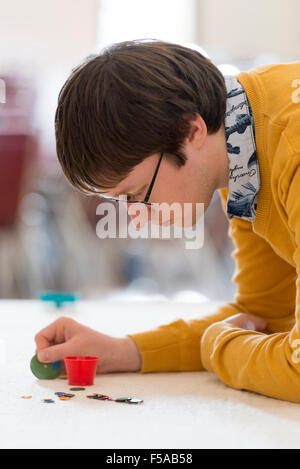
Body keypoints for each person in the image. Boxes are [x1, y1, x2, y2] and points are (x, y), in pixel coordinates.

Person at [35, 40, 300, 402]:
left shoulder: (291, 148)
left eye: (138, 192)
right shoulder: (242, 146)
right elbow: (266, 318)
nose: (138, 219)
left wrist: (216, 347)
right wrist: (124, 351)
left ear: (190, 132)